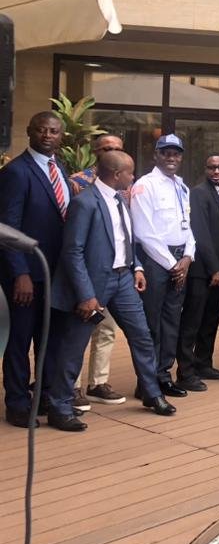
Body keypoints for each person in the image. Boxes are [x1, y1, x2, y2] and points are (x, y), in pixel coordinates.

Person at [45, 151, 177, 429]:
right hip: (92, 285)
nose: (133, 177)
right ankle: (59, 407)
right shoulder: (85, 203)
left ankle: (152, 393)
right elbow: (72, 252)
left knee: (142, 336)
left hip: (123, 280)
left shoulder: (120, 199)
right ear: (117, 174)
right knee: (74, 345)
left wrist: (137, 267)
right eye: (130, 172)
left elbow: (125, 239)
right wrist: (86, 295)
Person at [0, 112, 70, 428]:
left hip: (56, 275)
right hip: (27, 277)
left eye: (53, 131)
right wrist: (20, 274)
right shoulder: (16, 172)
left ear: (61, 136)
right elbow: (8, 228)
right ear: (29, 132)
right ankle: (17, 404)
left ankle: (43, 397)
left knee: (50, 339)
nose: (47, 135)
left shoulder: (59, 168)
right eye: (41, 130)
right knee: (20, 340)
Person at [129, 133, 195, 399]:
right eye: (166, 152)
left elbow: (188, 227)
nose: (171, 157)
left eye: (176, 153)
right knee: (152, 324)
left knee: (171, 322)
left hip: (180, 260)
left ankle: (163, 375)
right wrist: (173, 265)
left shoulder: (182, 186)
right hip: (156, 261)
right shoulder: (145, 185)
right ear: (156, 155)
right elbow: (144, 232)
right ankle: (146, 382)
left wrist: (188, 257)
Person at [69, 133, 126, 409]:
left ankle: (98, 383)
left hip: (115, 271)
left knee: (106, 329)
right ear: (95, 151)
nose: (111, 151)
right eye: (106, 148)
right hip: (88, 270)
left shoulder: (126, 184)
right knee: (79, 332)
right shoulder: (77, 182)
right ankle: (73, 386)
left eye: (116, 148)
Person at [175, 153, 219, 392]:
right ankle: (185, 372)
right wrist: (215, 269)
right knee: (192, 322)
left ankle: (203, 364)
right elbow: (201, 234)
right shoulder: (199, 193)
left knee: (210, 320)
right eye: (211, 167)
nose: (216, 171)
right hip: (203, 271)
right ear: (205, 169)